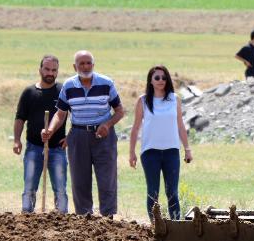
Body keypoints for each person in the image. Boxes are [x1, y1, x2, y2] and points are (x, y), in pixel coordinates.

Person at [42, 50, 125, 217]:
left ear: (93, 65)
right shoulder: (69, 86)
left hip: (104, 137)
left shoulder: (106, 83)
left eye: (88, 63)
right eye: (81, 63)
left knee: (106, 179)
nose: (85, 66)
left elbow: (119, 111)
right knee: (80, 181)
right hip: (78, 136)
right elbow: (61, 113)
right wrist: (50, 129)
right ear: (75, 66)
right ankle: (84, 220)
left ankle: (108, 218)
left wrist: (108, 124)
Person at [129, 65, 193, 221]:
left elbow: (180, 125)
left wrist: (187, 149)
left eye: (164, 78)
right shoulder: (143, 101)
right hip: (150, 153)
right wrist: (131, 152)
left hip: (171, 152)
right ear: (150, 80)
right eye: (157, 78)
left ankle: (177, 225)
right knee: (153, 192)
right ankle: (155, 225)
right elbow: (136, 127)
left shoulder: (174, 99)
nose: (161, 81)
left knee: (172, 192)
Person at [13, 55, 68, 213]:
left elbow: (75, 115)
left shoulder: (62, 91)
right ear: (40, 70)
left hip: (57, 149)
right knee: (29, 187)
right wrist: (17, 140)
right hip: (33, 148)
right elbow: (20, 118)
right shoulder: (29, 92)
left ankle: (62, 220)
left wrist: (70, 136)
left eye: (54, 70)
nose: (50, 73)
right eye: (47, 69)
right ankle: (27, 219)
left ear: (57, 72)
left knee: (60, 189)